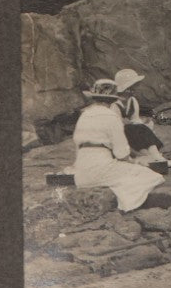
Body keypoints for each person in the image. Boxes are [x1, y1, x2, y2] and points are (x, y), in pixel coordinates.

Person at [69, 79, 163, 211]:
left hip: (81, 174)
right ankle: (127, 207)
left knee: (121, 175)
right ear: (112, 100)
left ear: (94, 98)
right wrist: (135, 161)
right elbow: (122, 154)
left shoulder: (84, 116)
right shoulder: (111, 116)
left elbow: (77, 144)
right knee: (152, 176)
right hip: (102, 169)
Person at [111, 68, 167, 162]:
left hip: (132, 131)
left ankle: (153, 153)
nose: (134, 90)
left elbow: (135, 120)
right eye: (131, 88)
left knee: (142, 127)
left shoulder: (132, 101)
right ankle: (146, 155)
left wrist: (139, 122)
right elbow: (115, 126)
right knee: (134, 129)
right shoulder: (115, 104)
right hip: (121, 133)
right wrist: (126, 123)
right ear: (125, 89)